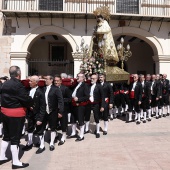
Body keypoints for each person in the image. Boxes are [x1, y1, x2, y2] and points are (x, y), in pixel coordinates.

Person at [0, 66, 33, 169]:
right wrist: (31, 101)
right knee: (15, 139)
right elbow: (26, 99)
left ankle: (2, 157)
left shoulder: (5, 83)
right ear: (19, 74)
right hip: (16, 114)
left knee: (6, 136)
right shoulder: (18, 85)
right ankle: (16, 162)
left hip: (5, 112)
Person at [22, 75, 46, 154]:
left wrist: (40, 118)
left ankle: (42, 145)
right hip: (30, 114)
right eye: (29, 81)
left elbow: (43, 106)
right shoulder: (28, 90)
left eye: (31, 81)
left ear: (36, 82)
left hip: (37, 114)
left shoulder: (40, 92)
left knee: (39, 130)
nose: (29, 82)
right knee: (30, 128)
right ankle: (29, 143)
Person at [43, 75, 64, 151]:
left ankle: (52, 143)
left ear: (51, 80)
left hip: (53, 111)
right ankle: (42, 144)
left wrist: (60, 111)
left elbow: (60, 101)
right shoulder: (43, 89)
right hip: (44, 111)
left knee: (53, 127)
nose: (45, 80)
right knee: (44, 127)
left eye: (46, 79)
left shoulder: (56, 89)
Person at [68, 73, 89, 141]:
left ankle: (81, 135)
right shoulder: (76, 85)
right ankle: (73, 133)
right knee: (73, 119)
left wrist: (79, 99)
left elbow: (87, 97)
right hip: (73, 105)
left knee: (80, 120)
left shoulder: (85, 85)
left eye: (79, 77)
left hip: (80, 105)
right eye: (77, 76)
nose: (77, 78)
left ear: (83, 78)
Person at [54, 75, 72, 145]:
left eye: (57, 81)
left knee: (63, 123)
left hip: (63, 109)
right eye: (55, 81)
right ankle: (55, 135)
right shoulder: (52, 88)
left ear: (61, 81)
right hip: (54, 109)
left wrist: (61, 100)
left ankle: (63, 137)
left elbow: (69, 99)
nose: (56, 82)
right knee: (54, 123)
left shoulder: (65, 89)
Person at [88, 74, 104, 138]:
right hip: (89, 104)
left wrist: (102, 106)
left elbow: (103, 97)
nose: (92, 79)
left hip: (96, 104)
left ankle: (97, 131)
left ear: (96, 79)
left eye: (93, 78)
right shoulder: (89, 86)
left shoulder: (99, 86)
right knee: (88, 117)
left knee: (96, 117)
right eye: (91, 78)